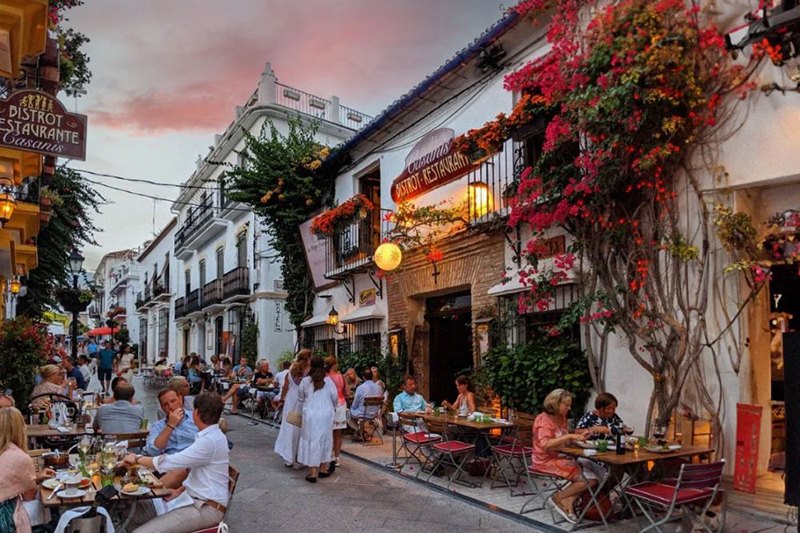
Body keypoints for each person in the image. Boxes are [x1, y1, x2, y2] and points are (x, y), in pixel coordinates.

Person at [123, 392, 229, 533]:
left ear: (196, 413)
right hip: (191, 498)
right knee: (130, 516)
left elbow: (172, 462)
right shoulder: (209, 435)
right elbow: (196, 471)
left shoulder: (209, 441)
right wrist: (180, 490)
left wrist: (136, 458)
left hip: (205, 507)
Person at [532, 389, 596, 524]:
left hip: (562, 456)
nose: (569, 408)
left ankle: (568, 500)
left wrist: (578, 438)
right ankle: (558, 497)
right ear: (555, 403)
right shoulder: (544, 420)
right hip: (545, 460)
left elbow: (562, 440)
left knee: (594, 470)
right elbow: (545, 445)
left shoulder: (561, 418)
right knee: (589, 480)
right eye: (566, 405)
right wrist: (570, 436)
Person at [0, 407, 56, 532]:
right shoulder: (19, 457)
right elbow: (29, 496)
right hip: (5, 517)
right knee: (45, 506)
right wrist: (32, 481)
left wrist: (35, 477)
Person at [296, 356, 336, 482]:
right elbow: (334, 397)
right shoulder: (328, 381)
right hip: (326, 414)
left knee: (311, 440)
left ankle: (313, 472)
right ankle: (323, 469)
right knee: (325, 439)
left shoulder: (306, 381)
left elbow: (301, 397)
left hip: (310, 414)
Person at [274, 350, 311, 468]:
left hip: (290, 400)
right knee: (301, 429)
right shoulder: (308, 372)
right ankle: (298, 457)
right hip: (303, 400)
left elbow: (285, 387)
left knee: (289, 428)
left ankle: (288, 457)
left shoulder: (290, 371)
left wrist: (282, 400)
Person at [347, 368, 383, 438]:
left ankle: (360, 430)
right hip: (375, 414)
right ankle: (362, 432)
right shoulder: (379, 388)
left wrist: (351, 408)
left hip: (363, 413)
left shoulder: (360, 388)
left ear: (363, 377)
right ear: (372, 376)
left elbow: (354, 405)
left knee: (347, 413)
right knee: (359, 411)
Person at [324, 357, 347, 466]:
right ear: (334, 365)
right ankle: (337, 456)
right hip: (341, 404)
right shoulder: (341, 376)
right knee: (338, 433)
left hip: (328, 405)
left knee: (328, 432)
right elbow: (346, 392)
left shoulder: (325, 377)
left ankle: (328, 455)